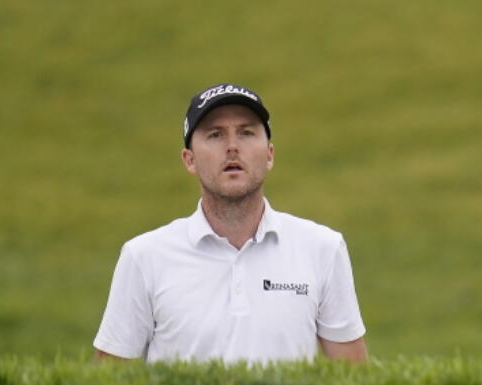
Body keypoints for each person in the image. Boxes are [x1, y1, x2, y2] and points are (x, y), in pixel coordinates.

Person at [93, 83, 368, 364]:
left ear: (270, 154)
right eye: (215, 135)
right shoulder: (144, 257)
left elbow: (354, 383)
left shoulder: (322, 248)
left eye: (246, 132)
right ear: (190, 160)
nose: (233, 147)